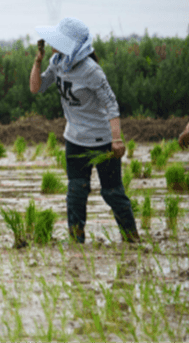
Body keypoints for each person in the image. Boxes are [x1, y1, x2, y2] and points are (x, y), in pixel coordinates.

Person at [30, 17, 139, 244]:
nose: (53, 43)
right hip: (75, 138)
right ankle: (76, 242)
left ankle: (132, 239)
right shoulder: (57, 61)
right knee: (76, 192)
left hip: (101, 139)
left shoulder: (91, 71)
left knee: (112, 192)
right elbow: (36, 88)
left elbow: (111, 104)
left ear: (72, 46)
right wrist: (38, 62)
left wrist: (117, 140)